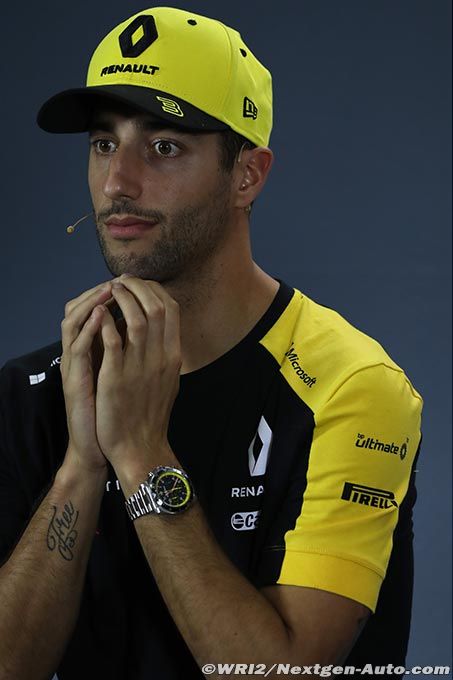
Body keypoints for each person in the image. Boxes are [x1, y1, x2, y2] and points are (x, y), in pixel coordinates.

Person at [0, 7, 423, 680]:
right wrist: (82, 465)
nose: (117, 182)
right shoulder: (34, 391)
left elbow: (284, 673)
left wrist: (140, 455)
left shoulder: (349, 387)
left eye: (164, 147)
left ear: (247, 175)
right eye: (104, 143)